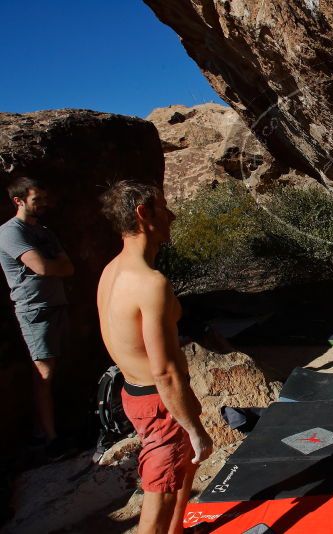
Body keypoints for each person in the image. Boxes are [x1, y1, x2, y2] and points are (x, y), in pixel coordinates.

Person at [97, 181, 212, 533]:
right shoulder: (149, 282)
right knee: (159, 493)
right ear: (142, 214)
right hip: (159, 400)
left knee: (185, 468)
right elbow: (163, 371)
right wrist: (194, 428)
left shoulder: (110, 271)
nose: (172, 216)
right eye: (163, 208)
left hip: (137, 392)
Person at [0, 177, 73, 460]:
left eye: (43, 198)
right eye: (36, 199)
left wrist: (51, 267)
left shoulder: (44, 231)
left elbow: (68, 268)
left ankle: (52, 430)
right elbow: (41, 267)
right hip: (34, 309)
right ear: (18, 201)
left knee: (56, 369)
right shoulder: (9, 232)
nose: (42, 204)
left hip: (56, 304)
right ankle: (48, 438)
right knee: (44, 373)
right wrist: (51, 267)